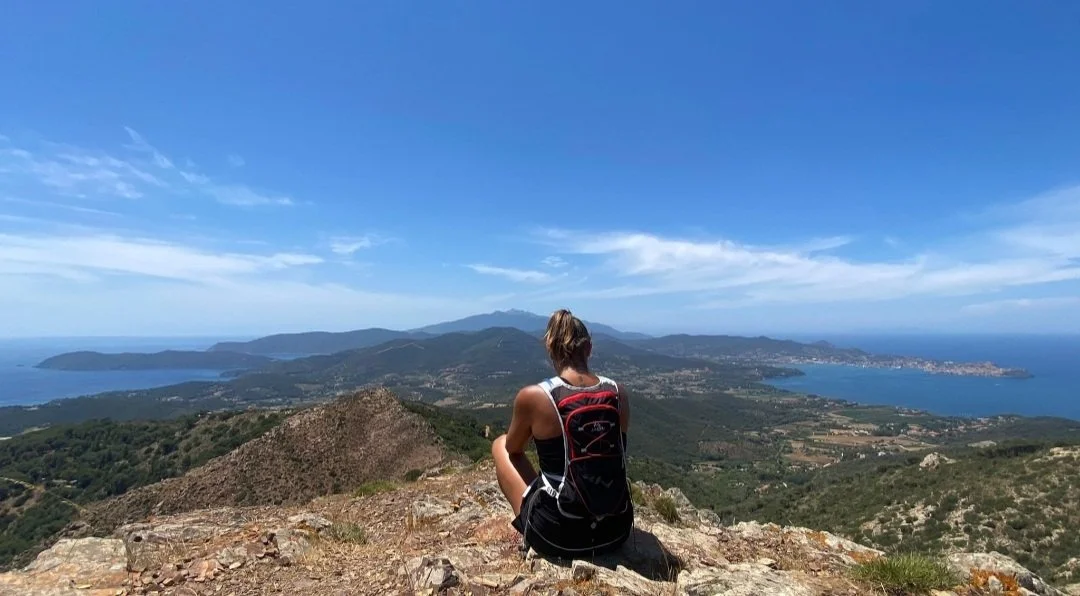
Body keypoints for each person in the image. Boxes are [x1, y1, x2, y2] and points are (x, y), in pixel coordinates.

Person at [492, 308, 634, 559]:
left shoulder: (535, 396)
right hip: (616, 531)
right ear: (589, 348)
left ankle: (538, 510)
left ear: (551, 349)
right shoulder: (618, 392)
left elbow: (513, 449)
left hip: (558, 538)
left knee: (500, 444)